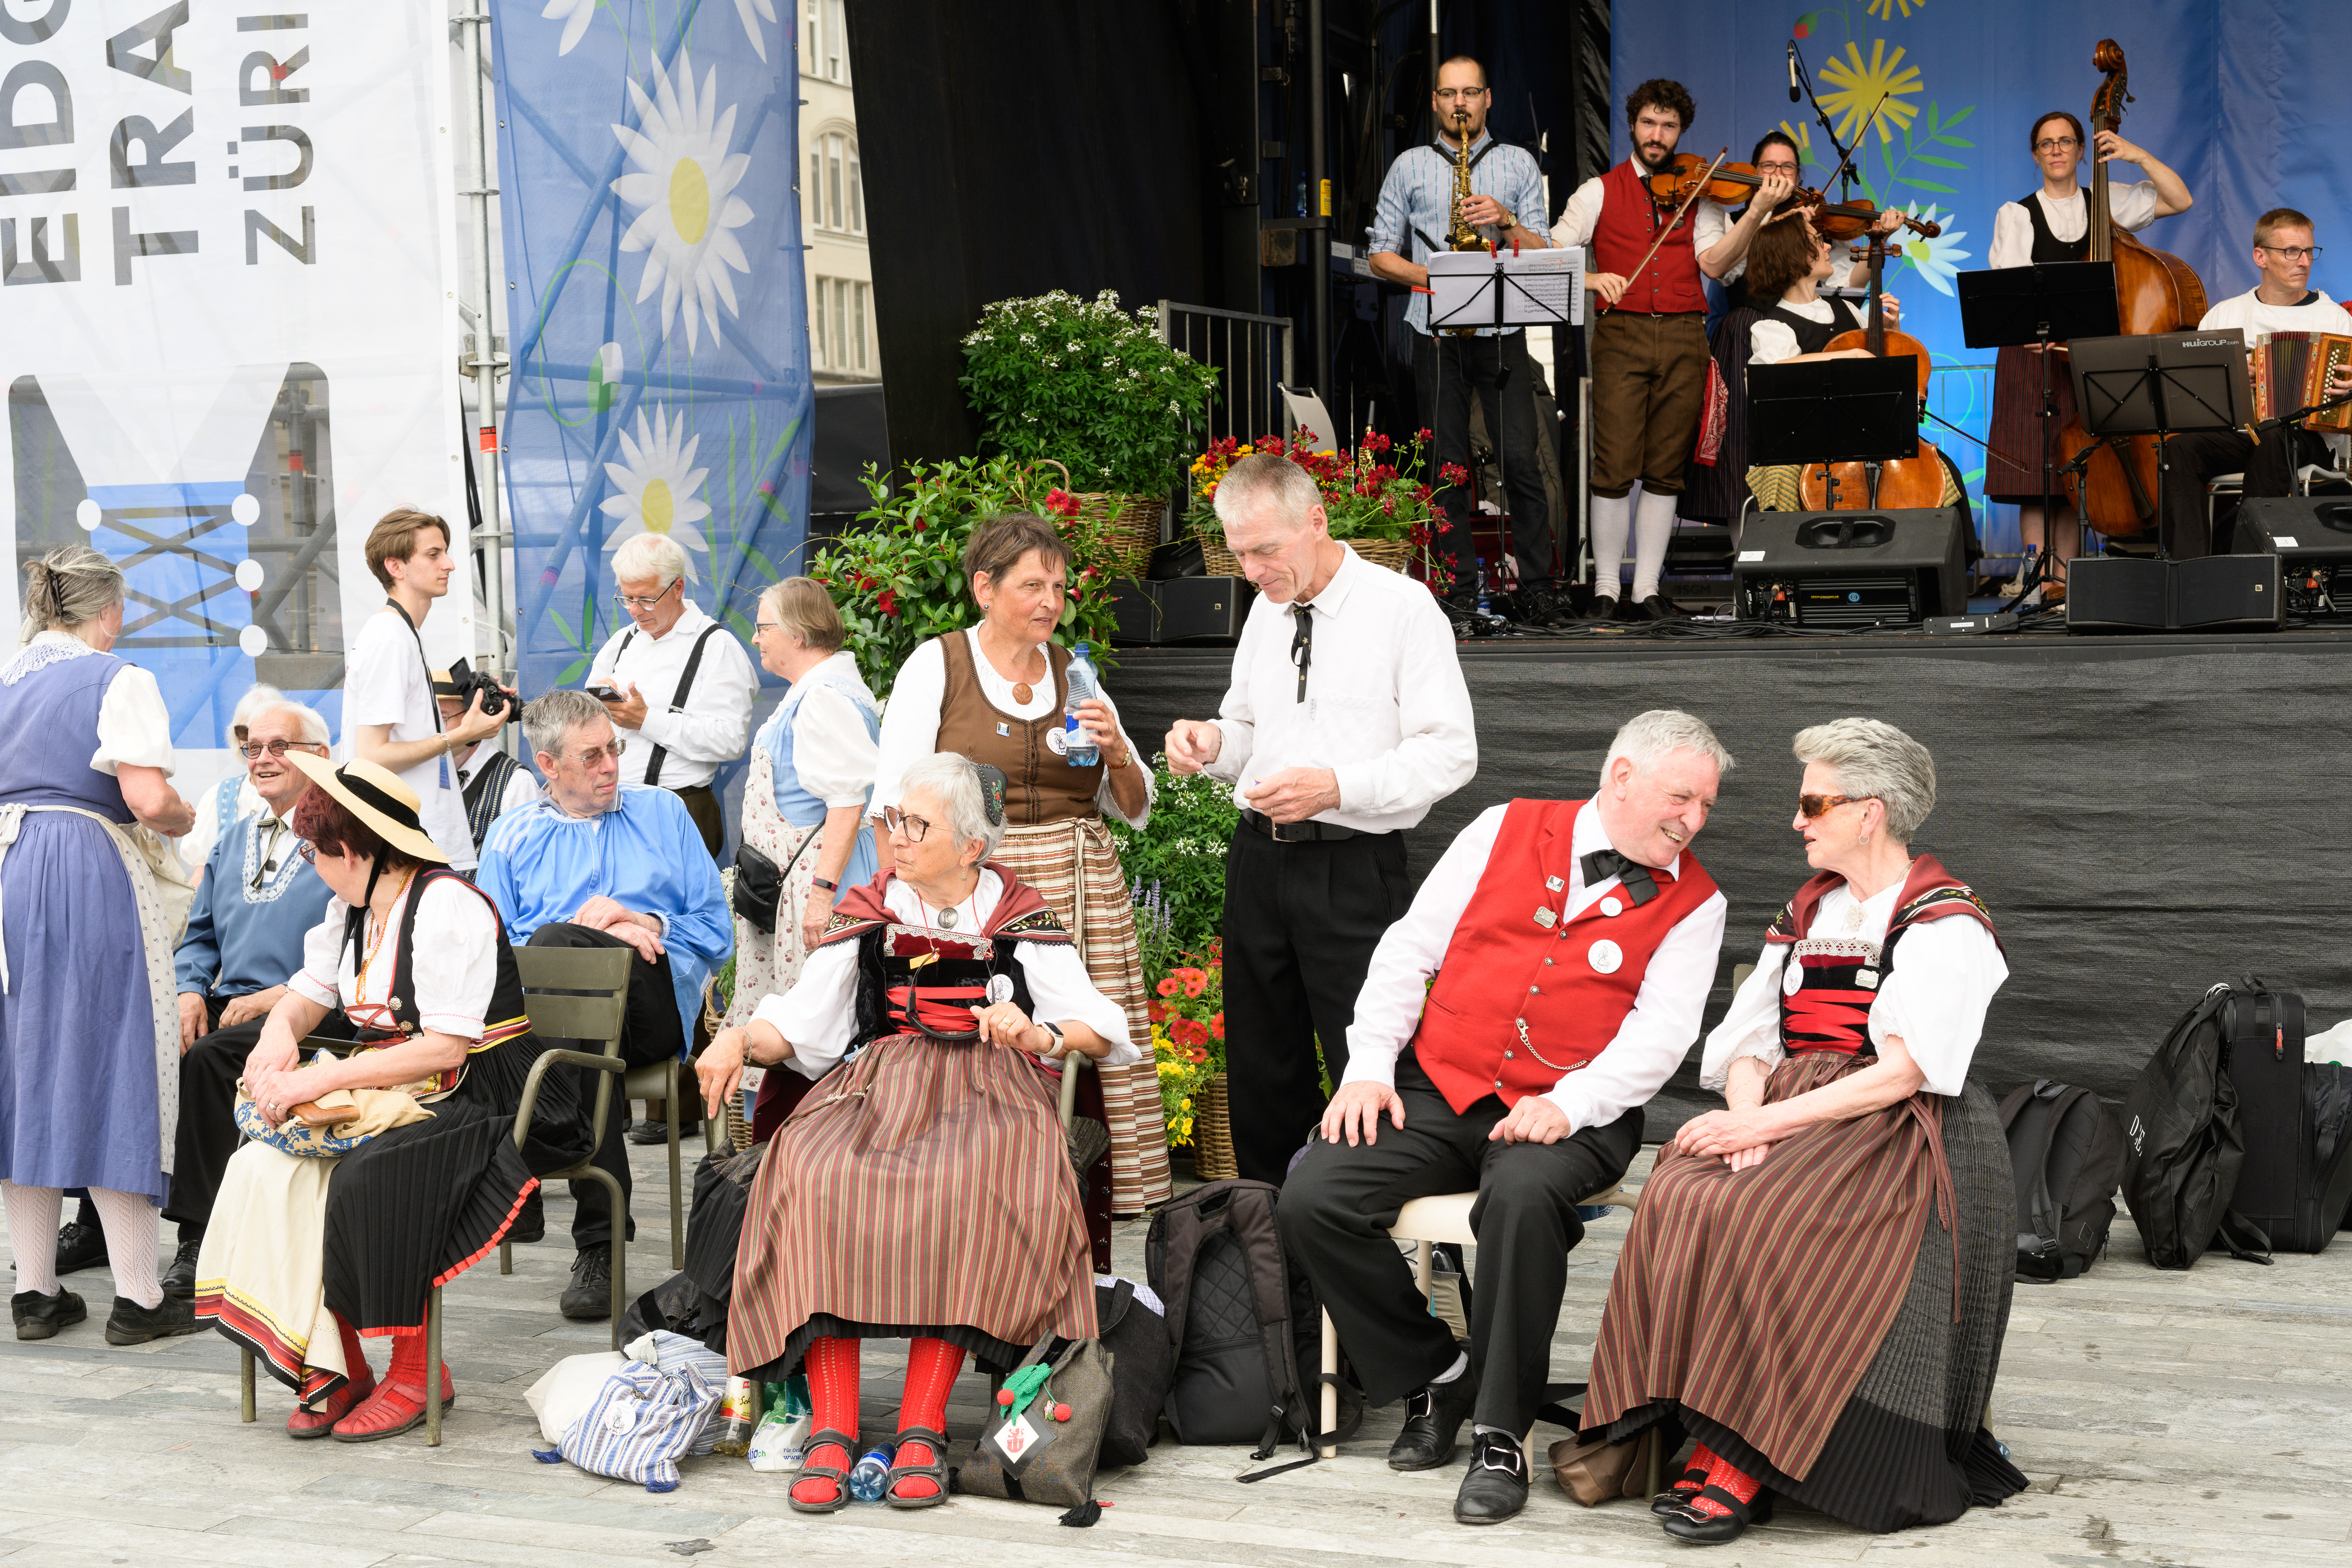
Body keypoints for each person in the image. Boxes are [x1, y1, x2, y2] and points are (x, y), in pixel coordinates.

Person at [1580, 718, 2026, 1544]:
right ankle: (1692, 1427)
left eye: (1815, 803)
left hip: (1900, 1129)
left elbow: (1904, 1072)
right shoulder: (1809, 909)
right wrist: (1745, 1123)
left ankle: (1743, 1460)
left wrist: (1771, 1127)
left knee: (1769, 1213)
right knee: (1683, 1189)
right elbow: (1752, 1038)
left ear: (1872, 812)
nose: (1797, 821)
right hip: (1793, 1106)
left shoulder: (1945, 920)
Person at [1280, 710, 1731, 1527]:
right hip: (1438, 1083)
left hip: (1580, 1109)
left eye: (1705, 805)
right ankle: (1437, 1375)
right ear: (1621, 778)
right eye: (1681, 797)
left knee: (1521, 1200)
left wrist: (1567, 1105)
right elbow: (1409, 949)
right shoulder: (1504, 828)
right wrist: (1370, 1067)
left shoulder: (1696, 903)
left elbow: (1661, 1040)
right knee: (1314, 1195)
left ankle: (1499, 1432)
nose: (1693, 820)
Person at [698, 754, 1137, 1513]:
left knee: (959, 1184)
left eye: (915, 824)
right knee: (812, 1169)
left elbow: (1101, 1026)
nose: (894, 835)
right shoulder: (873, 907)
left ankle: (921, 1427)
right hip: (879, 1082)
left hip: (995, 1088)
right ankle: (833, 1428)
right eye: (893, 818)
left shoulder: (1018, 917)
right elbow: (804, 1020)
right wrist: (740, 1039)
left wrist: (1035, 1031)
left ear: (972, 846)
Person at [193, 753, 589, 1440]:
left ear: (354, 852)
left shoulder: (447, 906)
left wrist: (318, 1079)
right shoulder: (352, 906)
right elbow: (310, 994)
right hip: (403, 1084)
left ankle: (418, 1371)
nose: (312, 863)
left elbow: (446, 1049)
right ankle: (335, 1364)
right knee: (261, 1164)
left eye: (317, 852)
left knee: (370, 1175)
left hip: (492, 1091)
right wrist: (274, 1040)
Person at [1165, 455, 1476, 1184]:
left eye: (1265, 549)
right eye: (1239, 552)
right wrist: (1212, 745)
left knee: (1367, 1065)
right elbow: (1246, 733)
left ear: (1317, 521)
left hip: (1354, 869)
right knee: (1260, 1073)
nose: (1250, 570)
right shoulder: (1266, 613)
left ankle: (1374, 1246)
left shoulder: (1403, 610)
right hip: (1258, 865)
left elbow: (1451, 754)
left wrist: (1337, 787)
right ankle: (1276, 1261)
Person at [870, 512, 1169, 1215]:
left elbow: (1135, 806)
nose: (1050, 602)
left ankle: (1107, 1187)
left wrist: (1118, 749)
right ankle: (992, 1189)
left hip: (1082, 879)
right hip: (976, 884)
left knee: (1083, 1027)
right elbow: (893, 802)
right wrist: (905, 899)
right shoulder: (937, 664)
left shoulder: (1078, 673)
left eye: (1059, 587)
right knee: (991, 1031)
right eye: (1032, 585)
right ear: (984, 587)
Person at [475, 690, 730, 1319]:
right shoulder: (512, 837)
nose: (611, 765)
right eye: (591, 756)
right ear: (547, 764)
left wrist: (642, 921)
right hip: (559, 1032)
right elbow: (485, 954)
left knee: (568, 949)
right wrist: (590, 937)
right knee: (566, 968)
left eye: (614, 748)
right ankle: (602, 1239)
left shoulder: (664, 813)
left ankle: (534, 1154)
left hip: (652, 1009)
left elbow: (716, 931)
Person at [1, 545, 200, 1346]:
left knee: (27, 1069)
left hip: (10, 872)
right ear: (107, 612)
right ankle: (139, 1296)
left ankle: (36, 1293)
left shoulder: (8, 681)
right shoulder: (118, 678)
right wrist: (186, 820)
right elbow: (147, 798)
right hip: (85, 868)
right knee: (117, 1060)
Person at [1553, 80, 1793, 620]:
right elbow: (1552, 252)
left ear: (1680, 132)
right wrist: (1593, 280)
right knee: (1612, 466)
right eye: (1648, 124)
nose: (1657, 136)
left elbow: (1714, 264)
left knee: (1666, 469)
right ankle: (1608, 589)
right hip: (1621, 335)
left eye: (1668, 127)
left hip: (1685, 333)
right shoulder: (1598, 191)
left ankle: (1648, 590)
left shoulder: (1704, 193)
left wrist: (1753, 212)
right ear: (1633, 125)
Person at [1366, 53, 1569, 629]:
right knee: (1445, 466)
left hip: (1502, 330)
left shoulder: (1518, 163)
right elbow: (1380, 253)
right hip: (1434, 331)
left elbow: (1544, 249)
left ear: (1487, 100)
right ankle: (1457, 591)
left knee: (1523, 463)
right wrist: (1433, 278)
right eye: (1449, 94)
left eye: (1471, 93)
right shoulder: (1408, 166)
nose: (1460, 104)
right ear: (1435, 101)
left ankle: (1538, 588)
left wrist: (1504, 221)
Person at [162, 700, 339, 1298]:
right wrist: (189, 990)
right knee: (148, 1041)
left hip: (311, 1012)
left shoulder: (342, 835)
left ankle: (196, 1237)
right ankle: (96, 1221)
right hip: (226, 1002)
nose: (262, 758)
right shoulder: (234, 838)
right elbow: (201, 935)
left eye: (278, 746)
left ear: (317, 756)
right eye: (252, 748)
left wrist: (282, 996)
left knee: (209, 1058)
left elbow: (360, 943)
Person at [1984, 112, 2192, 592]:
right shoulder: (2016, 214)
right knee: (2036, 476)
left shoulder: (2109, 200)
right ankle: (2036, 572)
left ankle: (2067, 579)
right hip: (2034, 356)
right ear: (2036, 156)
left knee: (2076, 471)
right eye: (2046, 144)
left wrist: (2136, 154)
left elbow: (2181, 199)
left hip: (2093, 360)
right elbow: (2011, 288)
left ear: (2082, 150)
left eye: (2066, 142)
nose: (2056, 150)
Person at [719, 578, 879, 1043]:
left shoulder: (823, 699)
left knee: (818, 1026)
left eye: (762, 627)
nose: (755, 638)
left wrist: (822, 894)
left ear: (799, 635)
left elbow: (849, 803)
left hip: (821, 881)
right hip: (798, 883)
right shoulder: (819, 692)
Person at [1737, 212, 1962, 514]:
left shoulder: (1846, 309)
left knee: (1947, 472)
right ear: (1792, 254)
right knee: (1782, 476)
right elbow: (1774, 372)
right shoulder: (1771, 326)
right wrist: (1848, 356)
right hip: (1809, 448)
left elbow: (1883, 373)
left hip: (1869, 438)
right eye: (1818, 241)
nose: (1828, 247)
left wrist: (1890, 333)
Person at [2157, 209, 2352, 558]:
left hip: (2308, 439)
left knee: (2276, 436)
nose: (2304, 261)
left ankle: (2247, 565)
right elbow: (2195, 396)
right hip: (2240, 434)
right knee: (2180, 449)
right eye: (2291, 251)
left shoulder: (2335, 318)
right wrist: (2230, 379)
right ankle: (2190, 570)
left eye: (2309, 251)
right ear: (2260, 257)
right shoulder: (2224, 315)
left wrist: (2348, 392)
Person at [346, 510, 508, 874]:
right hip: (402, 847)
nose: (449, 564)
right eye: (434, 555)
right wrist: (462, 735)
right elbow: (372, 756)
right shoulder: (389, 638)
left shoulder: (398, 634)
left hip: (411, 843)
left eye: (446, 552)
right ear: (396, 566)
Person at [582, 531, 760, 861]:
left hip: (681, 808)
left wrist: (647, 720)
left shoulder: (716, 647)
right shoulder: (623, 640)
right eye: (626, 598)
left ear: (678, 588)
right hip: (611, 804)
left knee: (668, 914)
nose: (635, 610)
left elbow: (730, 740)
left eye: (646, 599)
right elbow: (589, 708)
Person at [180, 682, 284, 886]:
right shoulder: (218, 797)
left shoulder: (306, 797)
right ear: (237, 739)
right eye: (246, 734)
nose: (259, 748)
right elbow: (201, 876)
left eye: (273, 739)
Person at [437, 670, 540, 855]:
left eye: (442, 718)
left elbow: (526, 864)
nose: (433, 730)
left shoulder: (516, 782)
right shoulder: (421, 772)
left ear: (475, 715)